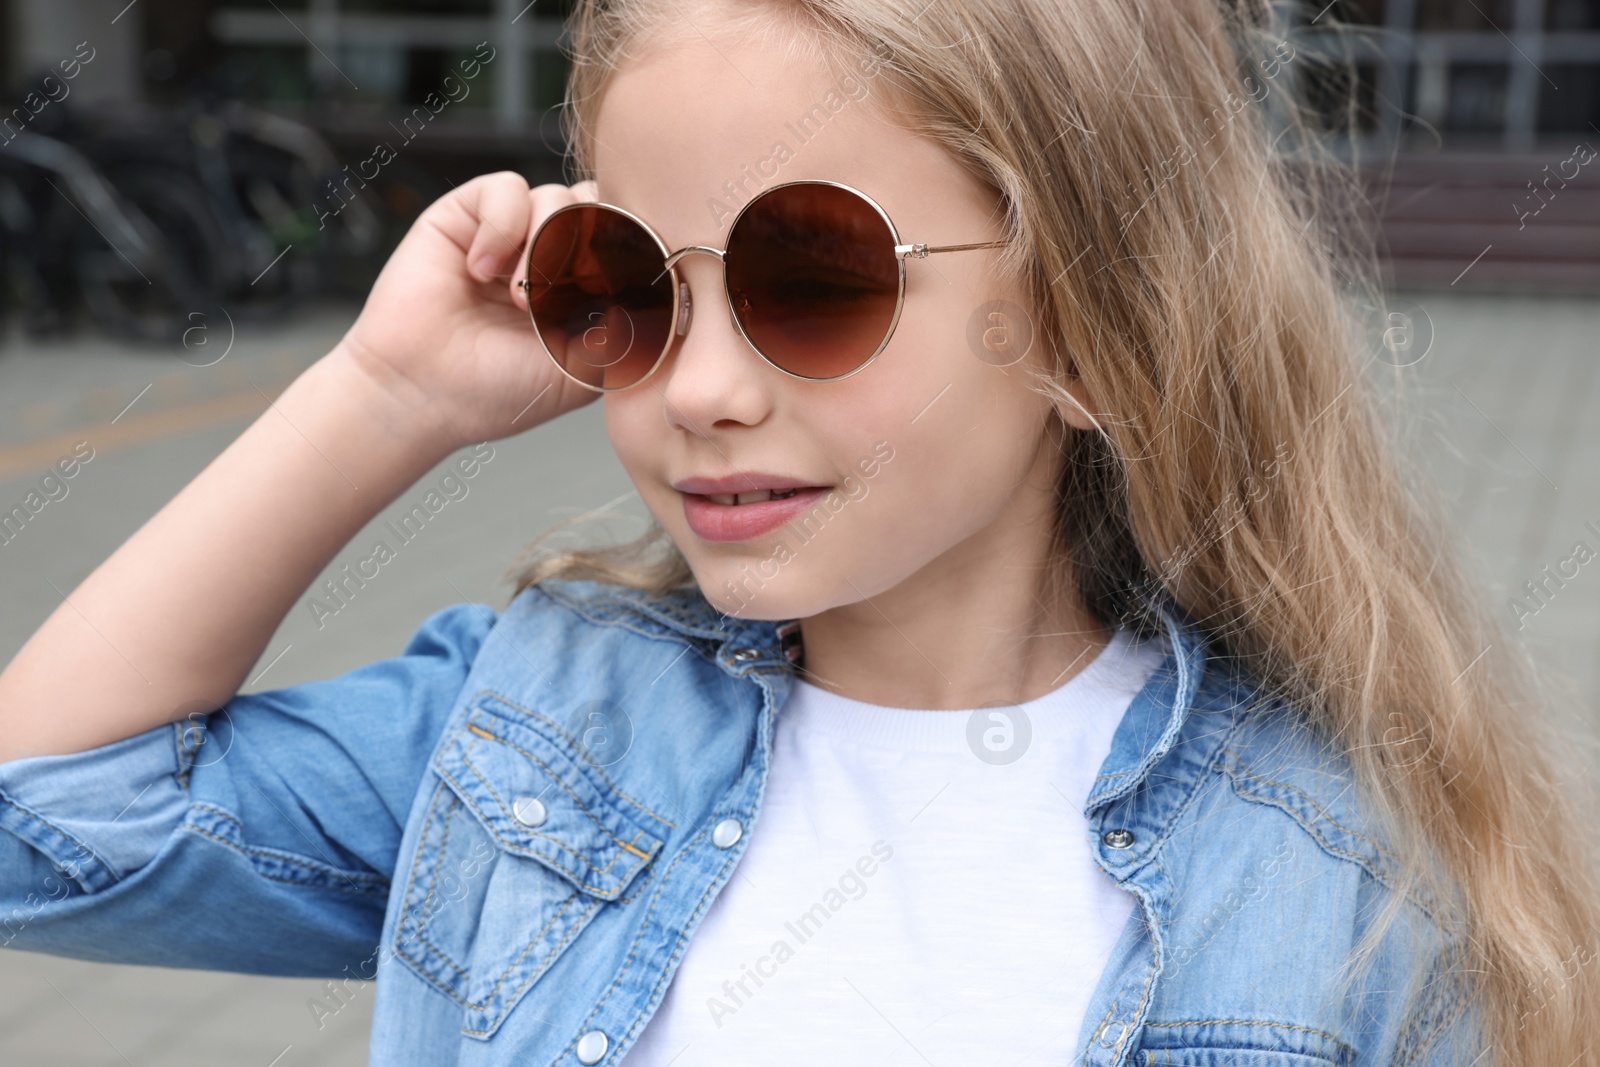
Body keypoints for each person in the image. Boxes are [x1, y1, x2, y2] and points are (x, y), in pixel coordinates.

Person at [2, 0, 1597, 1064]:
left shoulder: (1345, 886)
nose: (697, 387)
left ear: (1097, 331)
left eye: (814, 280)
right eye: (626, 282)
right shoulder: (533, 736)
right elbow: (47, 822)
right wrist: (383, 393)